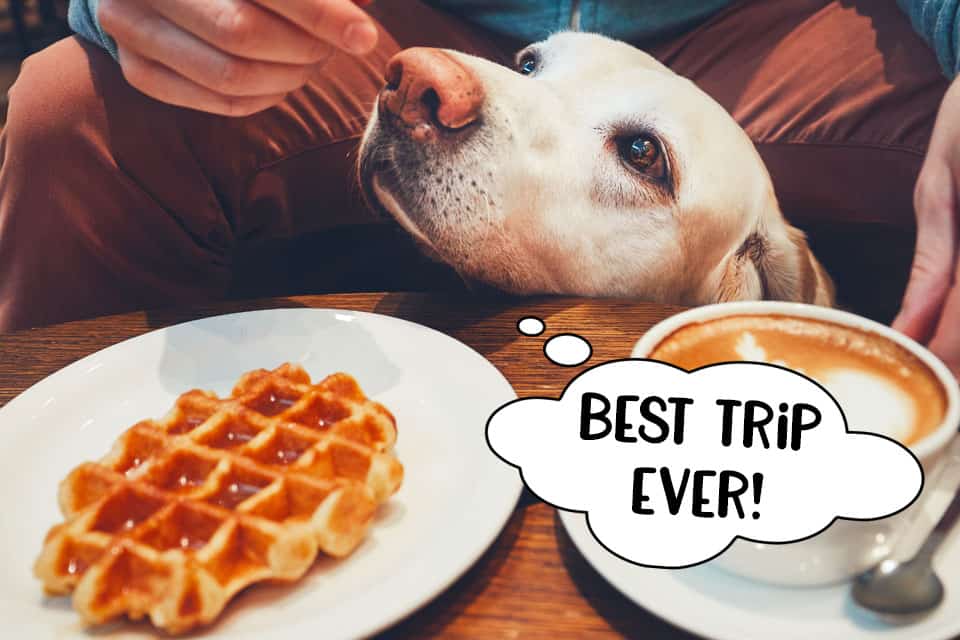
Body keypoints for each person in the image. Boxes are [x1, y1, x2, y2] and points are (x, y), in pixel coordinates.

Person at [0, 0, 957, 377]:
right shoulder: (451, 77)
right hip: (415, 11)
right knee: (69, 104)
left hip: (775, 21)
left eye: (640, 156)